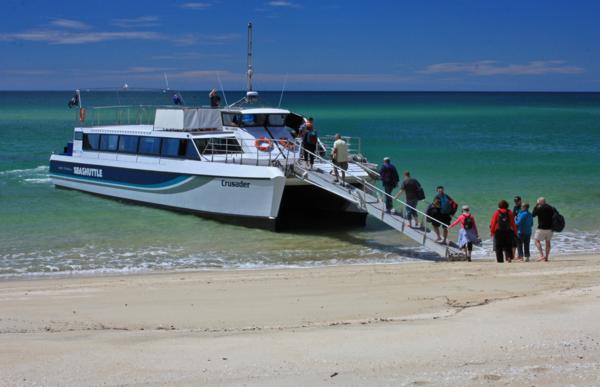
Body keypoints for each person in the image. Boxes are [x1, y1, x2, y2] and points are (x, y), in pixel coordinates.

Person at [532, 197, 554, 262]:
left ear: (540, 202)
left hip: (541, 228)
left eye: (538, 202)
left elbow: (533, 215)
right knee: (548, 242)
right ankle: (546, 257)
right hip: (550, 228)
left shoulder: (539, 208)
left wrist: (536, 206)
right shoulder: (550, 208)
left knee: (536, 241)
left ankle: (542, 255)